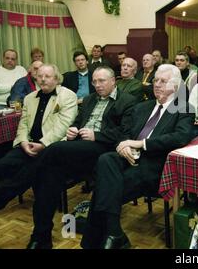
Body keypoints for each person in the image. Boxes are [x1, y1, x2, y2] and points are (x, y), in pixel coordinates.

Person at [80, 64, 195, 249]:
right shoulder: (142, 107)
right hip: (128, 156)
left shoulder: (184, 108)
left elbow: (180, 137)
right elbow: (124, 131)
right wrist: (122, 145)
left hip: (154, 163)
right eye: (155, 80)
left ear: (175, 86)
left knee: (105, 187)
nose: (156, 84)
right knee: (105, 159)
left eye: (163, 81)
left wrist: (141, 144)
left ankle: (104, 237)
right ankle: (115, 234)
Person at [25, 66, 136, 249]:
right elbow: (78, 122)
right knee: (47, 175)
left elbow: (125, 133)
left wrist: (97, 135)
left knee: (52, 151)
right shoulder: (89, 99)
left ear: (113, 81)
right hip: (79, 149)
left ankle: (24, 178)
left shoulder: (127, 101)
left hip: (104, 150)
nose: (97, 85)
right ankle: (41, 235)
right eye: (94, 81)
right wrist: (72, 130)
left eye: (102, 81)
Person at [0, 64, 77, 210]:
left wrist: (43, 144)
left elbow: (63, 126)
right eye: (40, 76)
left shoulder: (68, 96)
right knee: (3, 164)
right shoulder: (29, 98)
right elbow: (23, 124)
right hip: (29, 145)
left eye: (48, 76)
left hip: (52, 147)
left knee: (30, 171)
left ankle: (0, 198)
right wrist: (23, 142)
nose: (43, 80)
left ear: (57, 79)